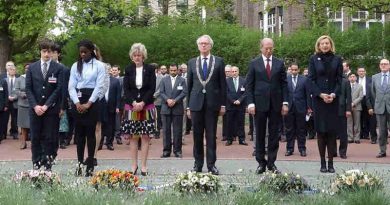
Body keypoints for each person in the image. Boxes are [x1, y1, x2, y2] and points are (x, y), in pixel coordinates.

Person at [246, 37, 288, 174]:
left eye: (271, 48)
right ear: (261, 48)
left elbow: (284, 84)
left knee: (274, 134)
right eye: (266, 48)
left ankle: (271, 162)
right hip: (259, 104)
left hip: (275, 104)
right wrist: (250, 103)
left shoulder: (279, 63)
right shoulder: (254, 63)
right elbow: (249, 85)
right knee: (259, 133)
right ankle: (260, 163)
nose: (269, 51)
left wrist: (285, 102)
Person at [186, 35, 226, 175]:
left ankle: (211, 165)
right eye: (201, 43)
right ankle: (197, 164)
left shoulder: (219, 62)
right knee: (197, 135)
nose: (203, 46)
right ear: (198, 46)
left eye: (206, 43)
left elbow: (223, 85)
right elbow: (189, 85)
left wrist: (223, 105)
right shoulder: (192, 62)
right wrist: (188, 107)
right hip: (196, 104)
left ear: (210, 46)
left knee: (211, 135)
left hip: (212, 104)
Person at [68, 39, 106, 176]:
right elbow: (71, 86)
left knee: (90, 133)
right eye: (81, 52)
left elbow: (99, 85)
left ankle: (90, 164)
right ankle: (78, 163)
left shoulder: (99, 66)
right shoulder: (75, 66)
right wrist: (77, 103)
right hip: (78, 99)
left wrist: (89, 103)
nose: (83, 55)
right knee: (79, 134)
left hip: (92, 100)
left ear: (91, 51)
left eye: (85, 52)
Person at [26, 38, 64, 171]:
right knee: (35, 137)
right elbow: (28, 88)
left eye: (49, 52)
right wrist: (35, 106)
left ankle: (48, 166)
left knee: (50, 138)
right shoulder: (32, 68)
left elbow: (58, 89)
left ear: (53, 52)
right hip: (35, 109)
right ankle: (36, 165)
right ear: (40, 52)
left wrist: (46, 105)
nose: (47, 54)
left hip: (51, 110)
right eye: (44, 51)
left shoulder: (58, 68)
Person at [308, 35, 343, 173]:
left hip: (333, 100)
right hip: (319, 101)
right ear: (318, 45)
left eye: (327, 43)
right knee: (321, 132)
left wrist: (334, 94)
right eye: (322, 43)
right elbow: (311, 80)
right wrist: (321, 94)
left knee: (332, 132)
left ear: (330, 44)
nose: (324, 45)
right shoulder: (313, 59)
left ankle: (331, 163)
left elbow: (340, 80)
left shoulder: (337, 59)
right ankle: (322, 163)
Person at [121, 43, 156, 176]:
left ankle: (144, 166)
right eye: (135, 55)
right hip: (132, 107)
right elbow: (126, 89)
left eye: (139, 55)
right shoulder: (128, 69)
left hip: (146, 106)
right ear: (132, 56)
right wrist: (134, 102)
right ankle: (133, 165)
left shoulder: (150, 69)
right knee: (133, 137)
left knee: (145, 136)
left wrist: (143, 102)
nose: (137, 58)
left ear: (143, 56)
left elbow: (152, 88)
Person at [160, 64, 187, 158]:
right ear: (168, 70)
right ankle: (166, 151)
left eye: (174, 70)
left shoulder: (182, 80)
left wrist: (175, 100)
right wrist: (168, 100)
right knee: (166, 131)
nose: (173, 72)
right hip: (166, 107)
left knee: (177, 130)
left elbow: (184, 92)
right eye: (171, 70)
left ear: (177, 70)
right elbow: (161, 92)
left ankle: (177, 150)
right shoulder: (164, 80)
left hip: (177, 107)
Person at [284, 63, 311, 157]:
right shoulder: (286, 79)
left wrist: (309, 107)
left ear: (299, 70)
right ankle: (289, 149)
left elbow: (308, 94)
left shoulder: (304, 79)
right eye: (292, 69)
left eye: (296, 70)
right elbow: (284, 93)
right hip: (289, 107)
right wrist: (284, 104)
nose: (294, 71)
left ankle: (302, 149)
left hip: (301, 107)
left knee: (301, 129)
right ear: (290, 70)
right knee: (289, 129)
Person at [368, 59, 390, 158]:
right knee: (381, 131)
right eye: (382, 64)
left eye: (385, 64)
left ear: (389, 65)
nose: (383, 65)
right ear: (379, 66)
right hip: (380, 107)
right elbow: (373, 92)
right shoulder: (374, 77)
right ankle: (382, 151)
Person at [99, 67, 121, 151]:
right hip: (101, 105)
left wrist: (118, 106)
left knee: (111, 126)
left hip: (112, 106)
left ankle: (109, 143)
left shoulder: (115, 81)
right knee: (101, 125)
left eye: (108, 69)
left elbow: (118, 95)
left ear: (110, 71)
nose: (107, 71)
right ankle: (99, 143)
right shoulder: (99, 79)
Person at [225, 66, 247, 146]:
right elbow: (226, 92)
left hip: (240, 105)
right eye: (232, 71)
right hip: (230, 105)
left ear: (238, 71)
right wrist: (233, 101)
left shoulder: (244, 80)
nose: (234, 73)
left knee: (241, 123)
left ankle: (242, 139)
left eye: (235, 71)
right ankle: (229, 139)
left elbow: (246, 92)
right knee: (229, 123)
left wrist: (239, 100)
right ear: (230, 72)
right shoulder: (227, 81)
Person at [357, 67, 377, 144]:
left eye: (363, 71)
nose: (361, 72)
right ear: (357, 72)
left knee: (370, 118)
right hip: (358, 100)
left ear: (365, 72)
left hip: (368, 99)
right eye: (360, 71)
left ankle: (370, 135)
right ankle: (361, 134)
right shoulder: (355, 79)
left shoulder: (370, 79)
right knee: (360, 118)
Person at [15, 63, 31, 149]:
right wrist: (22, 94)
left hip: (33, 105)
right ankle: (23, 142)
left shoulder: (35, 77)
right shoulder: (19, 79)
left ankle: (35, 143)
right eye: (26, 68)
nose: (27, 69)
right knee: (23, 125)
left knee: (33, 124)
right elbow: (16, 90)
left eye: (29, 68)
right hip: (22, 105)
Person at [347, 73, 363, 144]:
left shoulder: (360, 86)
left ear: (356, 78)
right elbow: (344, 96)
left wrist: (353, 103)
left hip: (357, 106)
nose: (352, 78)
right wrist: (348, 104)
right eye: (351, 77)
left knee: (357, 123)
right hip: (348, 107)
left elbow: (361, 97)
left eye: (353, 76)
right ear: (348, 78)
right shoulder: (346, 86)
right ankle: (350, 137)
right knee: (349, 123)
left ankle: (357, 138)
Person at [4, 61, 19, 139]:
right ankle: (3, 133)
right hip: (6, 102)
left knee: (14, 118)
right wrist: (7, 98)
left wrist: (15, 97)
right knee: (5, 118)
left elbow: (19, 91)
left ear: (15, 71)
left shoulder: (18, 80)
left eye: (13, 70)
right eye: (10, 70)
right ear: (8, 71)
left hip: (15, 102)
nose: (12, 71)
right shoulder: (5, 80)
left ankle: (14, 132)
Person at [221, 65, 232, 142]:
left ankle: (233, 135)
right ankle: (225, 135)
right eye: (226, 71)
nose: (227, 73)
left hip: (232, 102)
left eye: (228, 71)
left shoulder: (233, 79)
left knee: (233, 119)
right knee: (225, 119)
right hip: (224, 102)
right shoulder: (221, 80)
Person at [0, 77, 8, 143]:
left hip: (1, 106)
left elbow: (6, 94)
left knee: (1, 122)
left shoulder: (3, 81)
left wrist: (6, 105)